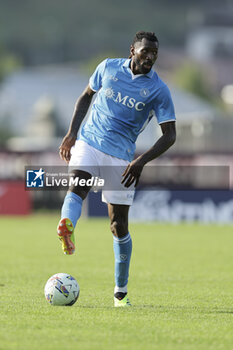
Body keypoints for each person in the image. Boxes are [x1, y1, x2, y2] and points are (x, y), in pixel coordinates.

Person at [57, 31, 176, 307]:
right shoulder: (108, 67)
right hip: (89, 140)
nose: (150, 57)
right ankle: (67, 225)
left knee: (118, 225)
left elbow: (169, 135)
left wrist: (140, 161)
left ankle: (120, 293)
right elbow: (86, 97)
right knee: (77, 186)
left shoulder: (158, 90)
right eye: (145, 51)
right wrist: (72, 133)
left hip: (121, 158)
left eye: (154, 54)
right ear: (132, 50)